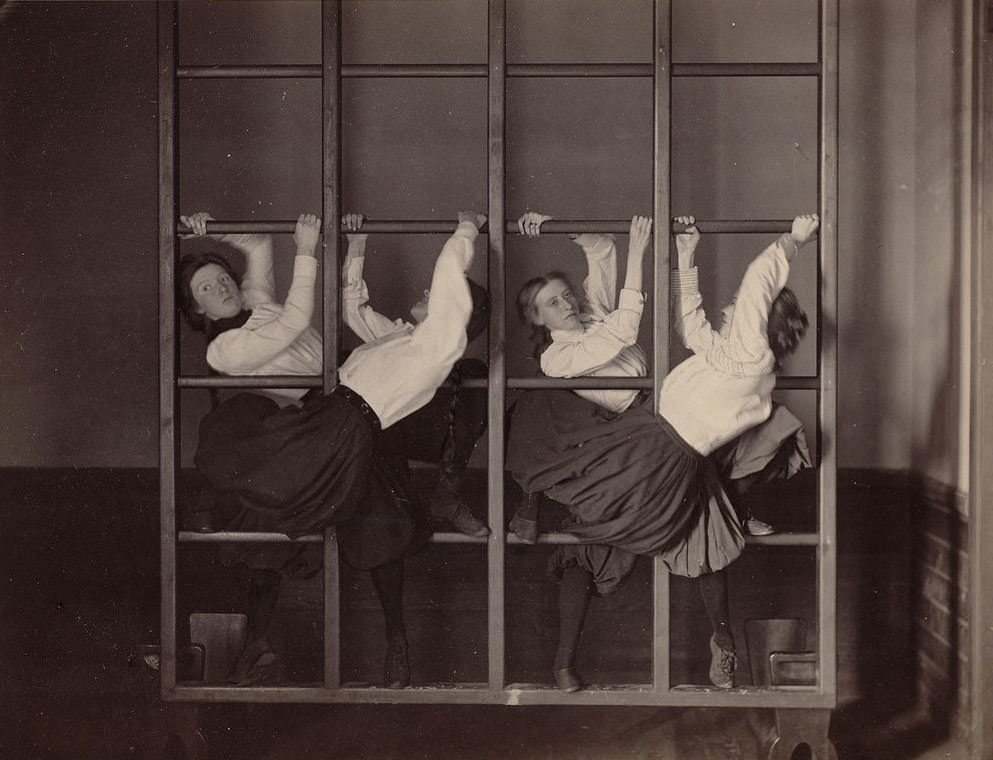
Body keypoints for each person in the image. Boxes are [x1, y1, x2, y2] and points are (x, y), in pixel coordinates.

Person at [507, 210, 818, 691]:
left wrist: (792, 241)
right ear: (536, 318)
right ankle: (563, 659)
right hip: (629, 435)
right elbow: (685, 326)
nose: (567, 303)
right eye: (551, 302)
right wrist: (686, 254)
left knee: (704, 533)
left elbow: (607, 260)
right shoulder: (557, 354)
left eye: (566, 294)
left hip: (660, 435)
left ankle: (723, 633)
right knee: (595, 539)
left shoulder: (743, 352)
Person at [177, 209, 488, 688]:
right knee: (261, 500)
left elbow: (258, 246)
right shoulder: (223, 350)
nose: (219, 288)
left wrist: (207, 229)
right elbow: (301, 318)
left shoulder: (259, 304)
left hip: (347, 406)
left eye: (221, 276)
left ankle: (397, 642)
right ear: (197, 311)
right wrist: (307, 249)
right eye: (205, 289)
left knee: (383, 521)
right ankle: (256, 636)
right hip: (308, 426)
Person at [339, 212, 490, 538]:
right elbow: (353, 310)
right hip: (377, 432)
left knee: (475, 374)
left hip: (421, 433)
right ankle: (408, 507)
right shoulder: (400, 336)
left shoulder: (438, 348)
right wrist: (357, 242)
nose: (427, 291)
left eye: (438, 294)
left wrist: (468, 226)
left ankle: (446, 494)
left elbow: (449, 274)